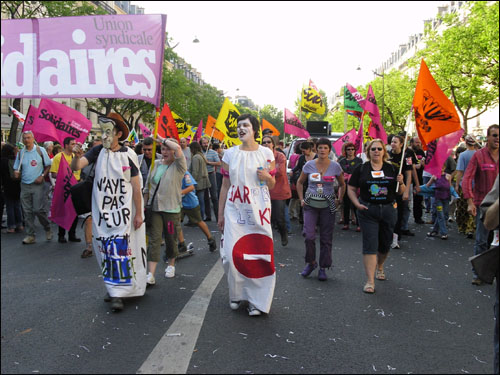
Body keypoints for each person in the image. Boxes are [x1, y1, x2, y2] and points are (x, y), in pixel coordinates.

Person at [71, 113, 146, 312]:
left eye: (108, 132)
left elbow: (136, 187)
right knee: (105, 250)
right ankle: (113, 288)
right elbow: (77, 167)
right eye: (103, 132)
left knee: (121, 249)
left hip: (124, 214)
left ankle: (118, 293)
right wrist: (75, 157)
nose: (104, 136)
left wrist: (139, 213)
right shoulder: (97, 151)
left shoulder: (129, 154)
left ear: (119, 134)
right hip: (102, 214)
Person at [218, 114, 276, 316]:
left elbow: (272, 185)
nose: (241, 128)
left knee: (259, 255)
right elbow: (225, 186)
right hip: (234, 210)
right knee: (230, 256)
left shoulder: (266, 153)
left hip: (259, 210)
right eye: (238, 126)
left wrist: (268, 177)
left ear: (254, 129)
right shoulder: (229, 154)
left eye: (245, 125)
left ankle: (257, 301)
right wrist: (220, 214)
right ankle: (236, 294)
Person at [348, 139, 405, 294]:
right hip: (368, 210)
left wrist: (402, 183)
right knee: (370, 245)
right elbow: (351, 188)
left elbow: (401, 192)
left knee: (385, 244)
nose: (376, 151)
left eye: (379, 149)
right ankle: (370, 281)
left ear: (384, 151)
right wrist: (356, 204)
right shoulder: (361, 169)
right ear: (368, 151)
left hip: (388, 210)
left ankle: (380, 265)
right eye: (373, 149)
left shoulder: (392, 169)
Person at [297, 137, 345, 281]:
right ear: (315, 149)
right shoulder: (309, 165)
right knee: (309, 235)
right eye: (320, 148)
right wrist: (301, 199)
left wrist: (339, 199)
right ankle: (311, 263)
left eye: (325, 148)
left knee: (326, 238)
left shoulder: (335, 166)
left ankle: (323, 267)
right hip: (311, 203)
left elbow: (342, 184)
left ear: (329, 150)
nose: (322, 150)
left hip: (328, 203)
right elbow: (300, 182)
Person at [143, 137, 187, 285]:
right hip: (155, 207)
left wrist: (163, 139)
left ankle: (171, 264)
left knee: (171, 238)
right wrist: (144, 205)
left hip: (171, 208)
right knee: (154, 239)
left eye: (169, 148)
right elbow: (147, 187)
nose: (166, 151)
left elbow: (179, 149)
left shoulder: (179, 165)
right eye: (163, 148)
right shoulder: (155, 164)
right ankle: (151, 273)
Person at [462, 124, 499, 286]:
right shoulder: (479, 156)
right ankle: (478, 274)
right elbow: (467, 179)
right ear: (488, 137)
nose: (497, 138)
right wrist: (470, 201)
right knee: (482, 241)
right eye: (494, 135)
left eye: (499, 136)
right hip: (484, 206)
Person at [13, 131, 53, 245]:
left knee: (37, 209)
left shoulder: (40, 150)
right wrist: (16, 173)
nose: (26, 140)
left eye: (28, 138)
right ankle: (30, 235)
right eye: (25, 138)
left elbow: (48, 165)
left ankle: (47, 227)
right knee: (27, 211)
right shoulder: (22, 153)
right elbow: (17, 168)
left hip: (37, 185)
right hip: (25, 184)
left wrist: (42, 176)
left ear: (33, 138)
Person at [49, 137, 81, 243]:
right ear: (66, 145)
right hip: (63, 187)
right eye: (72, 144)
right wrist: (65, 176)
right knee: (63, 211)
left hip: (75, 186)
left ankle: (72, 234)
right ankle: (61, 235)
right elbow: (53, 173)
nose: (74, 146)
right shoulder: (59, 157)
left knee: (74, 211)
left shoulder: (75, 156)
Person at [262, 135, 291, 246]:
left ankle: (283, 233)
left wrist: (265, 172)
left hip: (279, 191)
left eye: (268, 142)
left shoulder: (280, 156)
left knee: (279, 218)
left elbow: (279, 171)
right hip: (264, 191)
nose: (266, 144)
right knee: (265, 218)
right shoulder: (259, 156)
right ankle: (267, 240)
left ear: (273, 144)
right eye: (264, 142)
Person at [178, 171, 217, 253]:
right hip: (178, 203)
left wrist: (179, 193)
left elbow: (191, 187)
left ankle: (211, 239)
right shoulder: (172, 172)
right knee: (176, 223)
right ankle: (181, 244)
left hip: (190, 202)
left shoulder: (185, 174)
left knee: (198, 221)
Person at [388, 135, 413, 249]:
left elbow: (409, 175)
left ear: (401, 144)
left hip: (400, 188)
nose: (393, 144)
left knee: (399, 213)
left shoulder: (406, 157)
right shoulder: (387, 154)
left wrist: (406, 191)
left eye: (395, 142)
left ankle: (396, 238)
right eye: (392, 142)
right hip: (388, 189)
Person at [454, 135, 478, 238]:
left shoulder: (463, 155)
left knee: (462, 207)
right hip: (476, 185)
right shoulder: (478, 154)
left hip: (464, 184)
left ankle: (462, 227)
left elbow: (460, 171)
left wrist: (456, 184)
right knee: (474, 206)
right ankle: (471, 227)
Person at [338, 142, 363, 231]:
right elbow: (343, 170)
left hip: (356, 184)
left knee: (356, 204)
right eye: (348, 149)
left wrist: (351, 174)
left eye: (352, 149)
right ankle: (346, 223)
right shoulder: (342, 161)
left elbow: (358, 170)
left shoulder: (359, 160)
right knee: (346, 204)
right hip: (345, 184)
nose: (350, 151)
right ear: (345, 151)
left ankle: (358, 224)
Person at [292, 141, 317, 224]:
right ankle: (303, 218)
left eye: (304, 151)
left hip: (314, 183)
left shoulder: (316, 158)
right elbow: (298, 166)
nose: (303, 153)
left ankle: (314, 220)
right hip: (303, 183)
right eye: (301, 151)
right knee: (303, 201)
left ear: (309, 149)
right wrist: (293, 171)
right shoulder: (302, 158)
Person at [1, 143, 23, 233]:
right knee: (17, 205)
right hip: (16, 184)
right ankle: (19, 224)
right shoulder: (16, 159)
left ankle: (11, 226)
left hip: (7, 185)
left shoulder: (2, 161)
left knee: (9, 205)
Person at [426, 166, 452, 240]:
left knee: (444, 215)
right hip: (438, 199)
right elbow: (427, 185)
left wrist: (454, 194)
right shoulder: (434, 176)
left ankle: (435, 230)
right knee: (440, 215)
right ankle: (444, 233)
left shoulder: (448, 176)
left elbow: (450, 187)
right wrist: (419, 189)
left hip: (446, 198)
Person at [189, 141, 211, 223]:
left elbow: (195, 171)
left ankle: (199, 219)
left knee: (198, 202)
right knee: (202, 201)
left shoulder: (195, 157)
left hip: (198, 182)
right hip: (203, 181)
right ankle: (201, 218)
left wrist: (191, 182)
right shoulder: (201, 156)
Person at [200, 137, 221, 222]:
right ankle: (208, 216)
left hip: (211, 174)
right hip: (202, 176)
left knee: (214, 196)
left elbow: (219, 163)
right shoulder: (200, 153)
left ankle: (218, 216)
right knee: (205, 197)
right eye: (203, 143)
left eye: (206, 143)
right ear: (201, 144)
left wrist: (209, 163)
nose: (205, 144)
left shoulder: (213, 153)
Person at [409, 137, 426, 224]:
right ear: (411, 143)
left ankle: (418, 217)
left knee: (418, 198)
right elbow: (409, 165)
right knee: (407, 200)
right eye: (416, 142)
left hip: (419, 177)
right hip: (409, 178)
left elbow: (424, 163)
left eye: (419, 142)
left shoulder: (421, 152)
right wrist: (416, 166)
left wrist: (423, 164)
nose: (418, 144)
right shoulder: (408, 152)